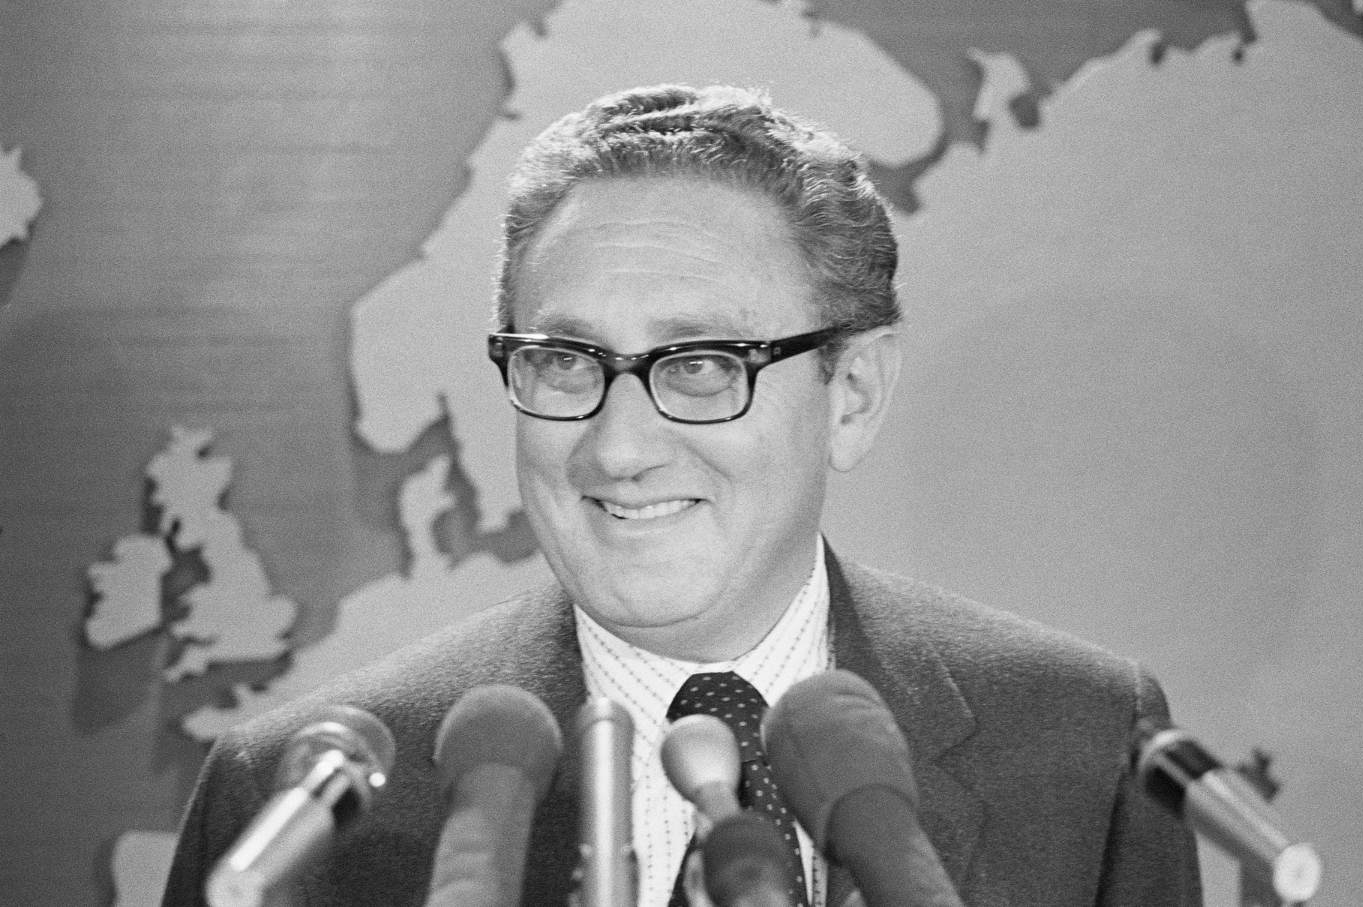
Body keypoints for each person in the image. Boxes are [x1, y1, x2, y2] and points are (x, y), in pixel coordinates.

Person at [162, 84, 1201, 906]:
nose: (617, 448)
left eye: (700, 364)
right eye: (567, 361)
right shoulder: (301, 802)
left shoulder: (1082, 748)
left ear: (854, 392)